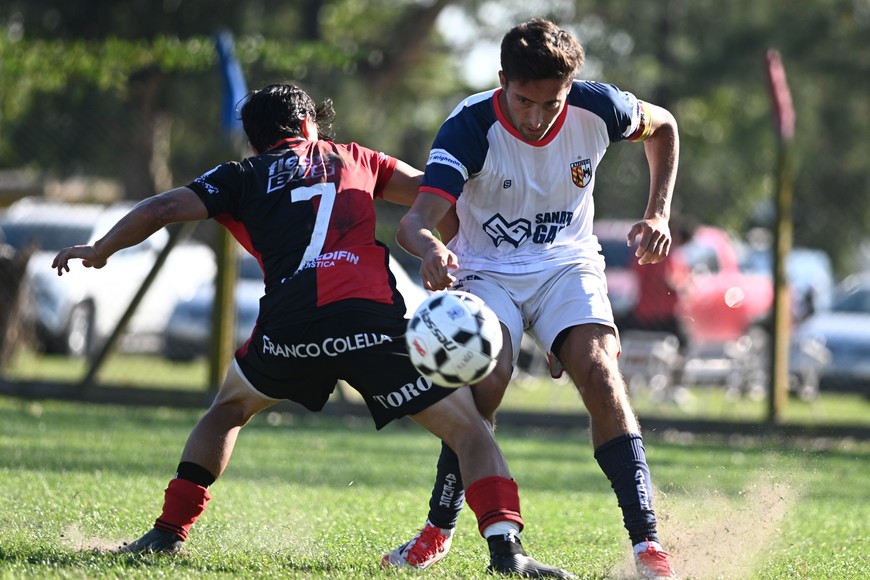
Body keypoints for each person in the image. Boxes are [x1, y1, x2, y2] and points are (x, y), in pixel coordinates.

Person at [51, 83, 574, 578]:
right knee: (470, 430)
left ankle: (168, 532)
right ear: (307, 122)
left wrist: (101, 251)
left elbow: (164, 207)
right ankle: (507, 552)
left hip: (291, 323)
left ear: (256, 138)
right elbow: (437, 192)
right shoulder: (355, 157)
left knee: (227, 411)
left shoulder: (241, 174)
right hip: (373, 323)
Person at [385, 19, 679, 579]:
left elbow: (664, 126)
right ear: (502, 82)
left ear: (571, 87)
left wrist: (657, 212)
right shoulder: (468, 127)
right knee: (486, 383)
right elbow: (416, 221)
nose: (538, 116)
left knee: (599, 374)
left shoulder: (603, 108)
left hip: (566, 265)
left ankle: (647, 546)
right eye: (524, 101)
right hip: (486, 271)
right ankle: (439, 528)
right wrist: (430, 249)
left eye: (553, 102)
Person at [625, 214, 697, 351]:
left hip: (642, 313)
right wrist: (686, 284)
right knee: (685, 347)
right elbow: (669, 281)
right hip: (663, 316)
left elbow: (635, 272)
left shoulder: (642, 251)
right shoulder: (668, 253)